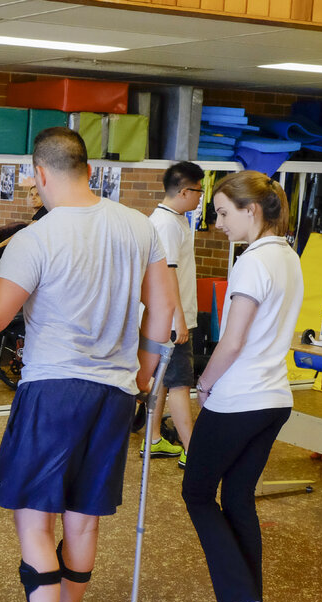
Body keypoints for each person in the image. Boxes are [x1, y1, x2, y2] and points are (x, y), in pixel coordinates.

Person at [0, 127, 174, 602]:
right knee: (82, 521)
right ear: (88, 168)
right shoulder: (139, 226)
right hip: (113, 393)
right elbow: (163, 311)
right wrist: (142, 370)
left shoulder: (37, 238)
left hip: (54, 389)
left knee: (36, 522)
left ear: (39, 174)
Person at [182, 171, 303, 602]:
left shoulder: (253, 262)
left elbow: (231, 342)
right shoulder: (288, 256)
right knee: (235, 496)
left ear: (251, 211)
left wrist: (203, 384)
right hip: (274, 397)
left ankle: (238, 600)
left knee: (196, 492)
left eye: (223, 213)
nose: (218, 224)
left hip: (240, 398)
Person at [143, 161, 205, 466]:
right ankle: (193, 452)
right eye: (199, 192)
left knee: (163, 379)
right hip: (172, 319)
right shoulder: (166, 224)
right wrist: (179, 319)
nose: (200, 198)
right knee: (181, 384)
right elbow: (167, 275)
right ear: (184, 191)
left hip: (168, 317)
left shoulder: (174, 219)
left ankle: (153, 439)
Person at [0, 183, 46, 281]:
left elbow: (24, 233)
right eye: (31, 195)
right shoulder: (39, 214)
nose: (33, 198)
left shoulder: (44, 212)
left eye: (38, 195)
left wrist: (1, 244)